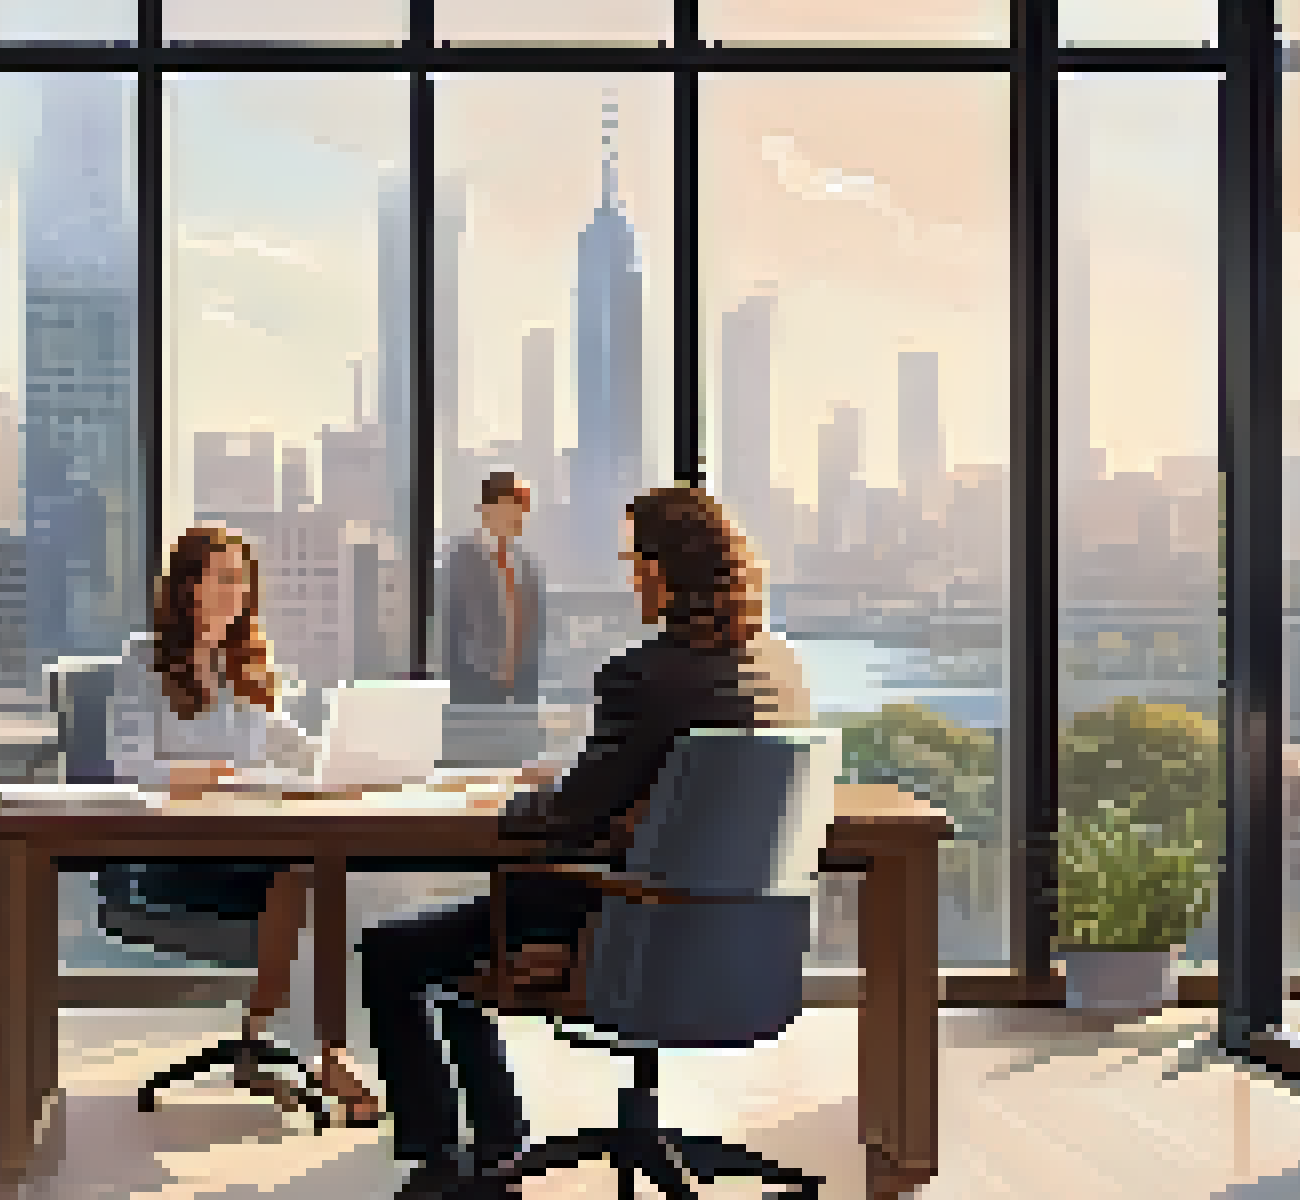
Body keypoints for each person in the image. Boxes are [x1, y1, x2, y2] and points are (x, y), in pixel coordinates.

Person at [359, 487, 813, 1197]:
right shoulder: (780, 669)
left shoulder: (641, 674)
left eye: (636, 562)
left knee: (393, 954)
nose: (631, 578)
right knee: (456, 953)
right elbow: (690, 789)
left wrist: (522, 797)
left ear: (665, 570)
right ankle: (499, 1135)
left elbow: (566, 817)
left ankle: (441, 1163)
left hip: (624, 922)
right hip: (744, 944)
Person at [108, 525, 383, 1126]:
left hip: (253, 852)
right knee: (309, 880)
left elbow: (291, 745)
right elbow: (129, 763)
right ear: (189, 589)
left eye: (243, 580)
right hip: (178, 858)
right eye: (226, 578)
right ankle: (318, 1054)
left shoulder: (243, 664)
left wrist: (359, 761)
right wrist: (213, 773)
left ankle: (289, 1043)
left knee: (329, 877)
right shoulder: (143, 659)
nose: (239, 592)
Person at [441, 471, 545, 705]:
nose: (521, 514)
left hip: (522, 694)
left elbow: (533, 635)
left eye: (524, 507)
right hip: (471, 693)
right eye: (515, 505)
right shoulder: (460, 561)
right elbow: (450, 634)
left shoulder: (525, 566)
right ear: (489, 508)